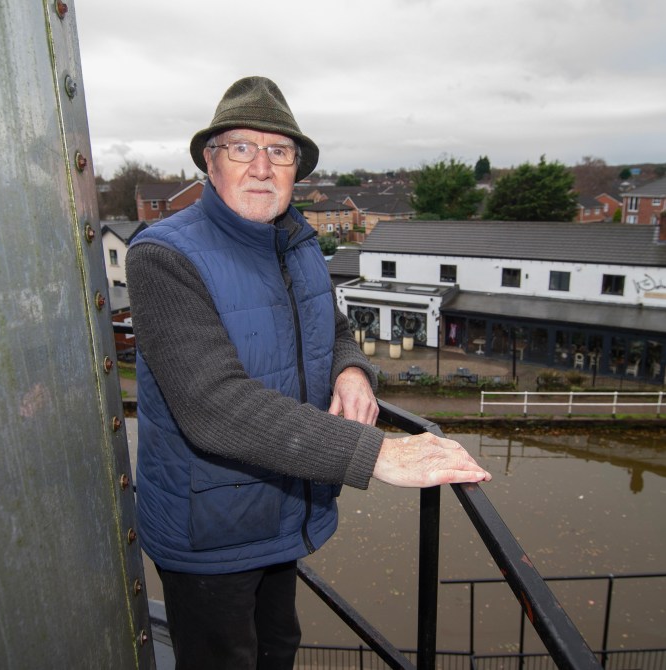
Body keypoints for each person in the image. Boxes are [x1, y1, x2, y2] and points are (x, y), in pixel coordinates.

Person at [126, 75, 491, 670]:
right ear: (210, 164)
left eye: (280, 151)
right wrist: (378, 454)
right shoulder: (162, 255)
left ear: (297, 169)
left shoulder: (297, 244)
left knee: (279, 649)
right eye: (242, 148)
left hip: (283, 509)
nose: (262, 167)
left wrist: (351, 371)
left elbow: (334, 328)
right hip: (210, 527)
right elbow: (214, 405)